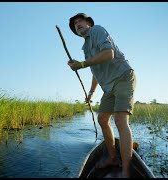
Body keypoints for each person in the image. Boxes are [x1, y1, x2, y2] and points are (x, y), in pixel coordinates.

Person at [67, 13, 136, 178]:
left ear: (88, 23)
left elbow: (108, 54)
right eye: (75, 24)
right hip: (108, 87)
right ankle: (112, 158)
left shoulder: (97, 30)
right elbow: (96, 72)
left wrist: (82, 64)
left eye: (80, 21)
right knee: (102, 119)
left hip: (122, 77)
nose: (77, 25)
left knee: (120, 120)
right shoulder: (85, 48)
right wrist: (91, 93)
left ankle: (126, 171)